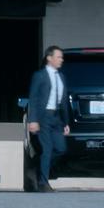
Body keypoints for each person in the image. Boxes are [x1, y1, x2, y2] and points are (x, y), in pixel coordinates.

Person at [27, 45, 71, 192]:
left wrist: (66, 122)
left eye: (62, 57)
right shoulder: (39, 75)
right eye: (59, 57)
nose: (61, 60)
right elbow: (33, 98)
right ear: (49, 58)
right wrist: (32, 120)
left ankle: (36, 168)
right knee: (47, 149)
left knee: (60, 149)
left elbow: (64, 101)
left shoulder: (62, 77)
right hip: (43, 117)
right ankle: (43, 183)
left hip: (57, 118)